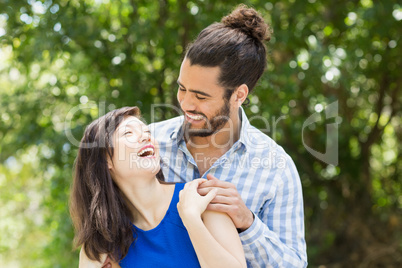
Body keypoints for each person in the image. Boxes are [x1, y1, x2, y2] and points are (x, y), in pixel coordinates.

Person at [149, 5, 307, 267]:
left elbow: (294, 264)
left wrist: (247, 223)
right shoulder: (149, 143)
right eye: (182, 88)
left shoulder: (276, 169)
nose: (185, 103)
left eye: (201, 96)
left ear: (239, 96)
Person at [69, 106, 246, 268]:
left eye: (146, 131)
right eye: (128, 133)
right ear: (105, 160)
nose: (146, 136)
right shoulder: (108, 244)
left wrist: (192, 220)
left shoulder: (201, 197)